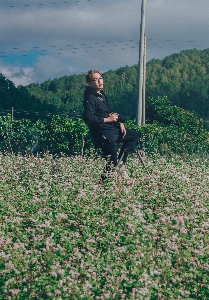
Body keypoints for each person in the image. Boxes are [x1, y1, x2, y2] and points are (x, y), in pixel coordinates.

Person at [83, 69, 139, 180]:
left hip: (113, 131)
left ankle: (121, 163)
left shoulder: (101, 95)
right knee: (111, 165)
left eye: (101, 78)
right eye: (95, 79)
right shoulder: (90, 98)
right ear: (90, 83)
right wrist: (108, 120)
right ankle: (103, 185)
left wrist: (119, 122)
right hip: (104, 135)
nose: (99, 81)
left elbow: (108, 112)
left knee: (134, 134)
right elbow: (88, 118)